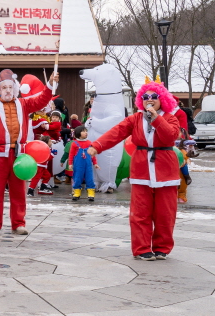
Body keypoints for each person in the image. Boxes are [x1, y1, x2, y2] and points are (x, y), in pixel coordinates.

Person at [87, 80, 181, 260]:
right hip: (141, 171)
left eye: (154, 96)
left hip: (166, 171)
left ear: (162, 100)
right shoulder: (135, 118)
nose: (149, 100)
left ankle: (162, 247)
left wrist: (156, 118)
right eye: (145, 97)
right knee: (140, 213)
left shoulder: (170, 118)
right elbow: (117, 132)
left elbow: (170, 136)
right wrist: (97, 145)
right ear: (141, 100)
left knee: (165, 213)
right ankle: (142, 248)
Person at [0, 69, 58, 235]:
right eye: (4, 87)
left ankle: (18, 223)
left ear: (15, 89)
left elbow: (43, 98)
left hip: (19, 156)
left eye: (10, 87)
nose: (7, 90)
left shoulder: (24, 104)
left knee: (19, 191)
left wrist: (50, 84)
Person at [69, 126, 97, 201]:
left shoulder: (89, 143)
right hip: (78, 165)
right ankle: (77, 192)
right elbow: (71, 154)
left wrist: (95, 163)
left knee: (90, 178)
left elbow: (92, 154)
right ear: (78, 133)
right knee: (77, 178)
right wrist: (70, 163)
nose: (86, 132)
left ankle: (91, 193)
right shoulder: (74, 143)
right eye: (83, 131)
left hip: (88, 165)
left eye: (86, 131)